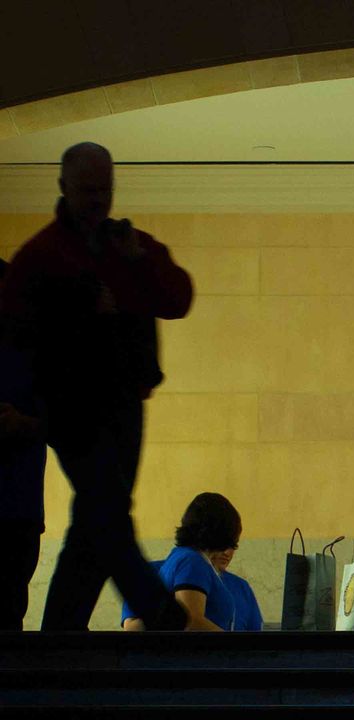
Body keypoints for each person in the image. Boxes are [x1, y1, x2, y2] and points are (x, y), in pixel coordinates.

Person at [1, 142, 194, 631]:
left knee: (97, 519)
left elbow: (177, 296)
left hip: (116, 401)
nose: (98, 200)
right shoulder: (43, 258)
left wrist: (133, 266)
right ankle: (158, 611)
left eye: (104, 189)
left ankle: (62, 632)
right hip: (74, 406)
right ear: (65, 188)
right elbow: (17, 334)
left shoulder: (109, 248)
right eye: (89, 190)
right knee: (106, 510)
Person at [0, 258, 48, 631]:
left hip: (18, 510)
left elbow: (60, 423)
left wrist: (23, 425)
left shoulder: (32, 358)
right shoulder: (32, 358)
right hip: (19, 508)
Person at [121, 493, 242, 632]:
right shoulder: (192, 561)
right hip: (196, 653)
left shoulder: (181, 558)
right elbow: (191, 622)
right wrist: (234, 645)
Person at [122, 535, 262, 632]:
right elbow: (131, 627)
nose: (226, 552)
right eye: (221, 543)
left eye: (232, 546)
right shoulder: (152, 573)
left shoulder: (241, 587)